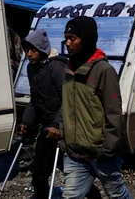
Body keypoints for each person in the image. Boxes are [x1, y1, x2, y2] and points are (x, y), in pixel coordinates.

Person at [18, 29, 102, 199]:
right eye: (27, 50)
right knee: (39, 170)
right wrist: (25, 122)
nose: (29, 54)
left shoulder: (56, 67)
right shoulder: (31, 68)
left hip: (64, 128)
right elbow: (35, 99)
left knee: (71, 170)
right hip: (46, 128)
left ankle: (93, 196)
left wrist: (57, 125)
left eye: (33, 50)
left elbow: (68, 100)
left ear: (41, 50)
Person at [59, 16, 132, 199]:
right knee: (70, 196)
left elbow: (113, 113)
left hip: (101, 152)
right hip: (75, 153)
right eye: (66, 38)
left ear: (87, 39)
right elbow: (65, 108)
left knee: (116, 194)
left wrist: (108, 148)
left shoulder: (103, 70)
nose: (67, 43)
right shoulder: (68, 70)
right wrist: (63, 139)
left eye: (72, 39)